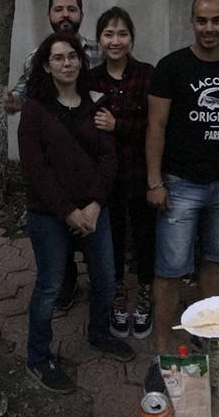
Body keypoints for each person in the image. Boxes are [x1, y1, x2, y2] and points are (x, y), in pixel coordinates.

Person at [18, 33, 134, 394]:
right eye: (58, 58)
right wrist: (68, 211)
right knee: (50, 285)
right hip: (48, 213)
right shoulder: (35, 110)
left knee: (106, 279)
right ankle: (38, 357)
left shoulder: (96, 103)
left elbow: (108, 158)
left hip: (95, 210)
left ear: (81, 62)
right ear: (45, 65)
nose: (67, 63)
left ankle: (99, 333)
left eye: (72, 56)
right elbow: (35, 169)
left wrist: (95, 204)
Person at [145, 0, 219, 354]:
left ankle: (207, 334)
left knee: (216, 263)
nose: (209, 28)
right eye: (202, 20)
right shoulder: (171, 67)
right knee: (170, 268)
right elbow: (156, 126)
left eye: (216, 20)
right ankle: (162, 343)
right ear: (191, 22)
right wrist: (154, 181)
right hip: (179, 183)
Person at [7, 0, 102, 311]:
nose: (65, 15)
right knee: (58, 228)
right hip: (56, 158)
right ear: (49, 15)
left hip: (92, 154)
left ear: (81, 14)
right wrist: (13, 101)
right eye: (59, 9)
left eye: (71, 9)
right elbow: (24, 91)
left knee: (96, 235)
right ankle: (66, 281)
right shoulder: (37, 57)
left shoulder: (99, 50)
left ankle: (104, 288)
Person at [90, 7, 155, 340]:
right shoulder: (90, 78)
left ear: (132, 38)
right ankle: (116, 295)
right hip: (105, 177)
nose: (115, 41)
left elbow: (156, 126)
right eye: (108, 34)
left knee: (145, 236)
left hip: (141, 172)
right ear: (99, 39)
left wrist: (119, 125)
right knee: (110, 237)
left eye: (122, 34)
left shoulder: (147, 74)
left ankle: (145, 294)